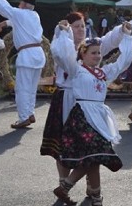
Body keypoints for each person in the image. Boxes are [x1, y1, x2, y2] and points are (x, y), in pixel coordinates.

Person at [51, 30, 132, 206]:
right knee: (95, 156)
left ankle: (68, 187)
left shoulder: (104, 73)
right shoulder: (76, 70)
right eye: (93, 52)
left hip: (99, 116)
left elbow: (124, 61)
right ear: (83, 54)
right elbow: (60, 55)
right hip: (81, 116)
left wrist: (127, 37)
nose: (97, 56)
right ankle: (92, 195)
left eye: (99, 53)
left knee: (92, 158)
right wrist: (64, 33)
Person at [46, 11, 127, 188]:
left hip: (87, 101)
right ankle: (63, 182)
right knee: (64, 141)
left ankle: (92, 185)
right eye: (76, 26)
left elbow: (109, 40)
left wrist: (122, 30)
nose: (81, 29)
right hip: (66, 96)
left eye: (83, 25)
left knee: (90, 142)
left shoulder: (90, 47)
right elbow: (60, 54)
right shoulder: (62, 47)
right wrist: (62, 33)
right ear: (67, 28)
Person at [0, 0, 45, 128]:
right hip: (38, 54)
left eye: (20, 3)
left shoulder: (20, 13)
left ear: (23, 4)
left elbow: (3, 6)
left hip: (27, 55)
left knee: (22, 88)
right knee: (31, 87)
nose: (18, 5)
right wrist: (5, 23)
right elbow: (18, 20)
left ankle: (24, 117)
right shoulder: (35, 16)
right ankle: (29, 113)